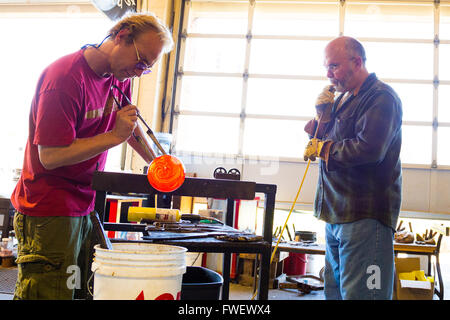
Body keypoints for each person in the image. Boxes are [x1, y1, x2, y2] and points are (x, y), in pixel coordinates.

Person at [11, 13, 173, 300]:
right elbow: (50, 156)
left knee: (76, 292)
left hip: (84, 203)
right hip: (50, 208)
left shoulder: (118, 77)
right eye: (140, 62)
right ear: (121, 35)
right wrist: (113, 137)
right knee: (48, 295)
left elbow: (127, 125)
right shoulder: (63, 80)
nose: (138, 72)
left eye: (146, 68)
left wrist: (157, 163)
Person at [303, 36, 402, 300]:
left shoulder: (381, 98)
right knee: (335, 294)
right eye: (326, 67)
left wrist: (324, 149)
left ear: (357, 62)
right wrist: (321, 115)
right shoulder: (343, 99)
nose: (328, 74)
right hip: (335, 213)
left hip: (364, 217)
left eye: (334, 66)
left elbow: (369, 150)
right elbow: (322, 138)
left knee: (365, 295)